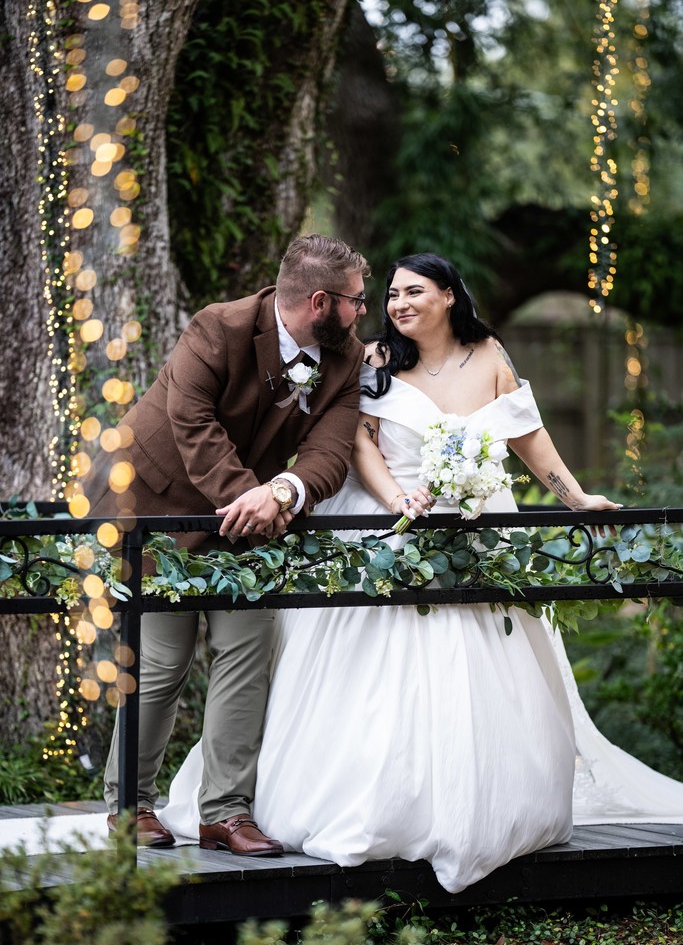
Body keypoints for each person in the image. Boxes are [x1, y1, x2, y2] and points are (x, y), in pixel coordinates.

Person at [160, 252, 683, 895]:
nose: (397, 304)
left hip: (475, 528)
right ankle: (359, 807)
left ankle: (486, 807)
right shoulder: (374, 358)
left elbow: (528, 434)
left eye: (413, 292)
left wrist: (576, 498)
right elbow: (359, 442)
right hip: (392, 525)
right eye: (390, 295)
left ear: (449, 295)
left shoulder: (491, 354)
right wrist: (396, 504)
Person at [84, 233, 371, 854]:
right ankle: (127, 806)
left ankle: (226, 813)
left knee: (250, 647)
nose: (362, 314)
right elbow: (194, 426)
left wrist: (285, 493)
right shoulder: (218, 328)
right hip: (156, 506)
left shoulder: (345, 360)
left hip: (250, 516)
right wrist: (253, 498)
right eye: (356, 302)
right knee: (162, 660)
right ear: (319, 302)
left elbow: (331, 451)